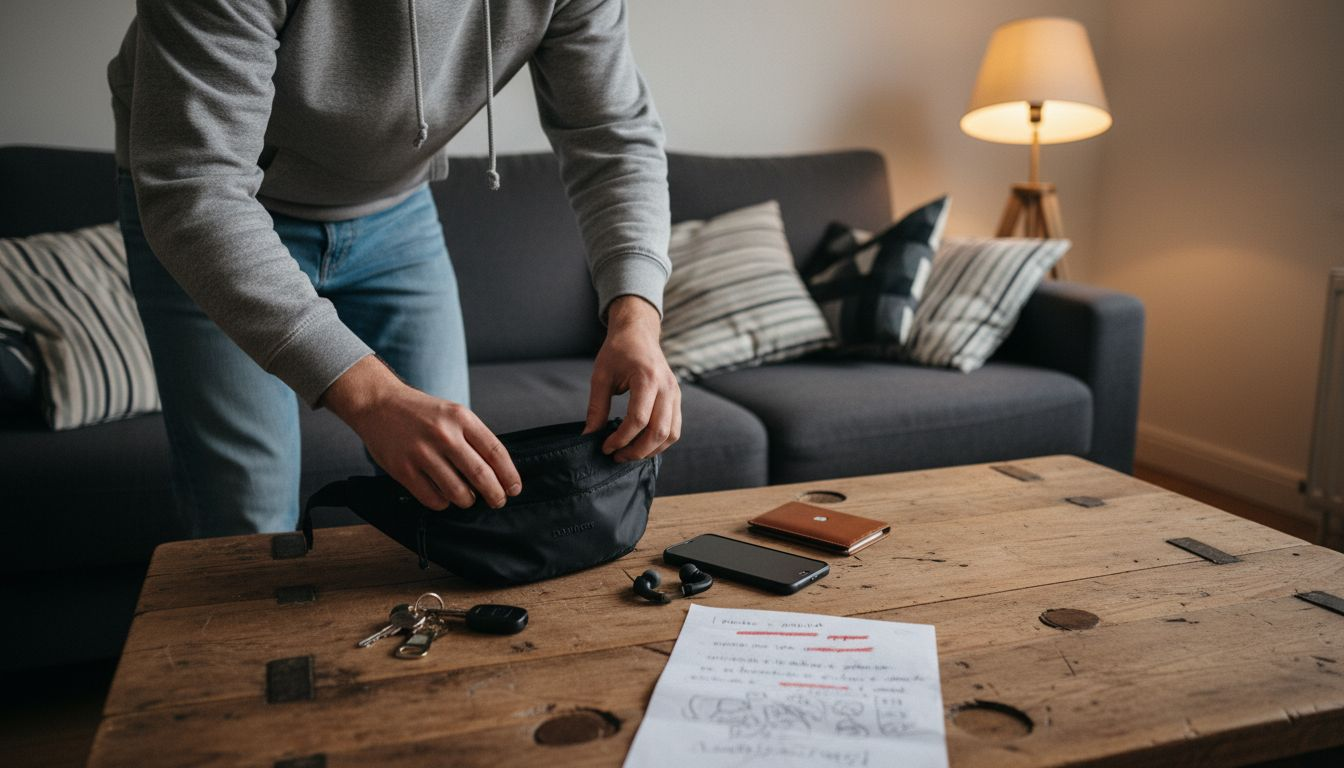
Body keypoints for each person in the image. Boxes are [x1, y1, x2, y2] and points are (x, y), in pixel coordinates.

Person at [107, 0, 680, 537]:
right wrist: (374, 399)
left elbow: (612, 136)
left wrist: (636, 318)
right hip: (220, 217)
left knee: (451, 496)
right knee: (249, 519)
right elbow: (196, 187)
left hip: (396, 213)